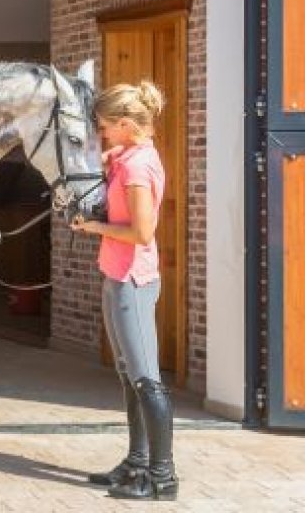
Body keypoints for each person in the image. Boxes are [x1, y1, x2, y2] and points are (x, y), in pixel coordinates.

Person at [70, 80, 176, 502]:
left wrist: (93, 226)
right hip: (116, 276)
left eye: (105, 127)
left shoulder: (137, 168)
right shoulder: (128, 157)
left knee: (147, 379)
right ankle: (136, 463)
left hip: (133, 280)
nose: (101, 134)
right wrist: (108, 157)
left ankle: (162, 477)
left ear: (127, 124)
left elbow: (141, 231)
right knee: (129, 376)